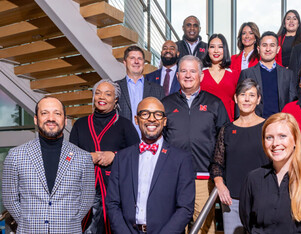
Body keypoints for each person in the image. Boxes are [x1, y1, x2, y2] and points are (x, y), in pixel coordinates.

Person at [2, 97, 95, 233]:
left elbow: (87, 199)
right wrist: (27, 221)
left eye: (57, 113)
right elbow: (10, 199)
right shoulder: (16, 156)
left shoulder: (83, 158)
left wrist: (68, 221)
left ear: (65, 120)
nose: (51, 118)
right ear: (35, 119)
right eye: (44, 113)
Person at [106, 97, 195, 233]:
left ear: (164, 121)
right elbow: (112, 204)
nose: (152, 119)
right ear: (136, 120)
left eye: (158, 114)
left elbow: (185, 208)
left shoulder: (182, 159)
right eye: (145, 114)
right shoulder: (121, 158)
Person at [162, 55, 229, 234]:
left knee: (205, 227)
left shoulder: (214, 103)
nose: (188, 75)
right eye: (183, 71)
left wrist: (219, 173)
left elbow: (224, 141)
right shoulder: (165, 105)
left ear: (201, 75)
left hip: (204, 178)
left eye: (193, 71)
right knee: (174, 225)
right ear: (177, 76)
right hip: (174, 177)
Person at [239, 112, 301, 233]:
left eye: (282, 136)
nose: (275, 143)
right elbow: (248, 222)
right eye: (269, 137)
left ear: (295, 140)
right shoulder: (253, 180)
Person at [69, 79, 139, 234]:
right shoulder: (80, 124)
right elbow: (69, 158)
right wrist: (87, 157)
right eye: (98, 93)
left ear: (115, 100)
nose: (102, 97)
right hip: (85, 191)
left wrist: (115, 156)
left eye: (108, 94)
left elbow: (137, 154)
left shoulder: (125, 125)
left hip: (115, 190)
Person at [210, 79, 268, 234]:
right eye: (243, 94)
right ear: (236, 98)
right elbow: (217, 164)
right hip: (232, 200)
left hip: (263, 198)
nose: (247, 99)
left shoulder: (268, 127)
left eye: (251, 95)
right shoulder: (227, 130)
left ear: (258, 99)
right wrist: (220, 186)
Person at [239, 31, 297, 119]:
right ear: (258, 49)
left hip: (280, 122)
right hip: (253, 124)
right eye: (264, 45)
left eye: (272, 45)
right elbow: (240, 102)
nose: (268, 49)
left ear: (278, 49)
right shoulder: (247, 73)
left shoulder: (288, 74)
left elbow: (293, 103)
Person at [116, 46, 164, 135]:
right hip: (123, 143)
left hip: (150, 141)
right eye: (132, 58)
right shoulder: (115, 88)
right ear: (125, 62)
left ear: (143, 63)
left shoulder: (158, 89)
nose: (136, 61)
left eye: (140, 59)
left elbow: (163, 119)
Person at [202, 33, 238, 121]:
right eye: (212, 47)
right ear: (208, 50)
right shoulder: (200, 74)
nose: (216, 51)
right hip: (205, 122)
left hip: (229, 123)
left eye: (220, 47)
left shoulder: (235, 74)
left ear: (225, 49)